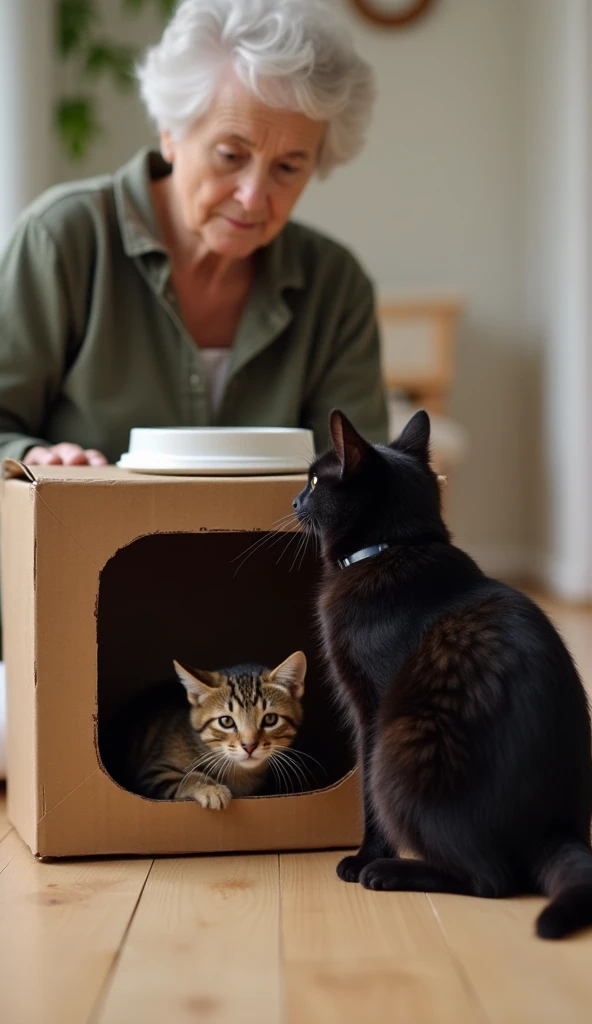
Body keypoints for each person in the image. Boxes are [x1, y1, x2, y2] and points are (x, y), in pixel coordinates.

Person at [0, 0, 388, 470]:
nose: (252, 196)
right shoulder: (63, 239)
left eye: (288, 167)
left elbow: (363, 475)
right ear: (170, 132)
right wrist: (32, 456)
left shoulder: (336, 285)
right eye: (230, 154)